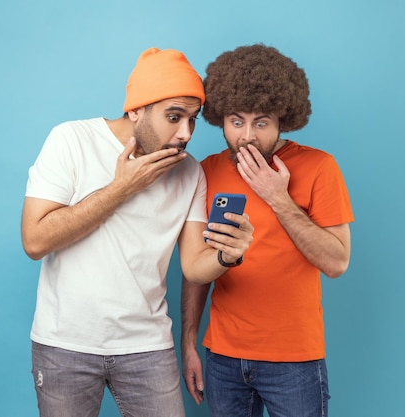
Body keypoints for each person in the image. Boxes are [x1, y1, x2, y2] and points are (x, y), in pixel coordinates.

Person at [21, 47, 253, 417]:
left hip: (147, 346)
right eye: (173, 117)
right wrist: (122, 188)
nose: (185, 133)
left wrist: (227, 254)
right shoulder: (71, 140)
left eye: (192, 120)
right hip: (65, 344)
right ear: (136, 110)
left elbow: (194, 266)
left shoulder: (189, 172)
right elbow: (34, 241)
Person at [181, 44, 354, 417]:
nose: (247, 136)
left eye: (261, 122)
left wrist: (278, 197)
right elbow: (197, 267)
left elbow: (337, 262)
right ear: (221, 120)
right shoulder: (207, 171)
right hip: (223, 357)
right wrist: (190, 343)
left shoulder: (319, 167)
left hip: (294, 361)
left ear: (282, 121)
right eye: (236, 120)